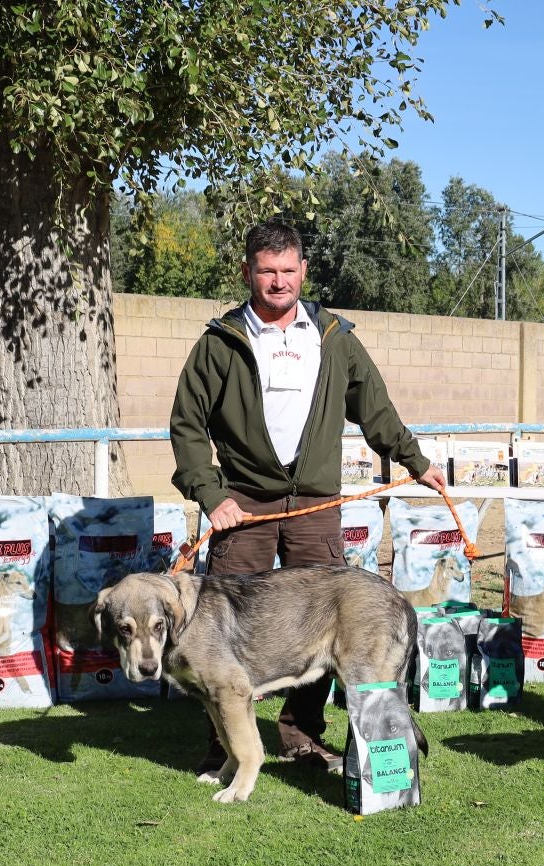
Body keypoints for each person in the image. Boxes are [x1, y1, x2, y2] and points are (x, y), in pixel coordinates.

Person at [168, 218, 447, 771]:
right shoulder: (220, 342)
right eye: (267, 271)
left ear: (304, 271)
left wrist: (417, 462)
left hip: (316, 505)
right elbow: (187, 425)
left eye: (288, 271)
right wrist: (211, 493)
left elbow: (376, 408)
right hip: (241, 505)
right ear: (248, 271)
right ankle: (223, 745)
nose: (278, 282)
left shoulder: (335, 337)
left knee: (325, 624)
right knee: (220, 630)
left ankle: (302, 735)